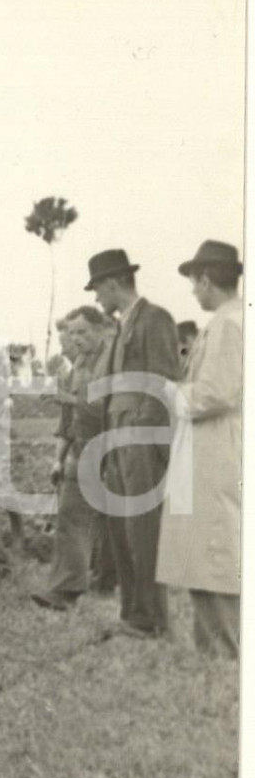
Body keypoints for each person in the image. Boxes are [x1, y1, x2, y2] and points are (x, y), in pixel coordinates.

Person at [88, 249, 180, 637]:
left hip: (140, 439)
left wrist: (142, 435)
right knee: (123, 530)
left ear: (112, 283)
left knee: (143, 529)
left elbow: (163, 381)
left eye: (98, 289)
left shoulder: (154, 319)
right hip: (117, 438)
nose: (96, 299)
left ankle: (153, 619)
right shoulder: (122, 327)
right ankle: (135, 615)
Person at [156, 241, 242, 658]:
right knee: (205, 551)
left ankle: (225, 651)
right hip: (208, 450)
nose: (193, 292)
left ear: (207, 279)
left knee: (216, 551)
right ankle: (211, 648)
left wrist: (170, 393)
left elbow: (218, 393)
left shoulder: (230, 325)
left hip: (217, 451)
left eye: (194, 282)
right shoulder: (225, 322)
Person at [32, 307, 111, 611]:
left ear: (100, 329)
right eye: (73, 333)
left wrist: (69, 399)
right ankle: (65, 591)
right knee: (70, 517)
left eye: (82, 332)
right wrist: (61, 457)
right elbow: (69, 418)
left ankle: (110, 583)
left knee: (110, 526)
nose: (76, 338)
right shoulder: (79, 363)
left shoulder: (109, 362)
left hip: (110, 451)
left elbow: (110, 408)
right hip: (82, 450)